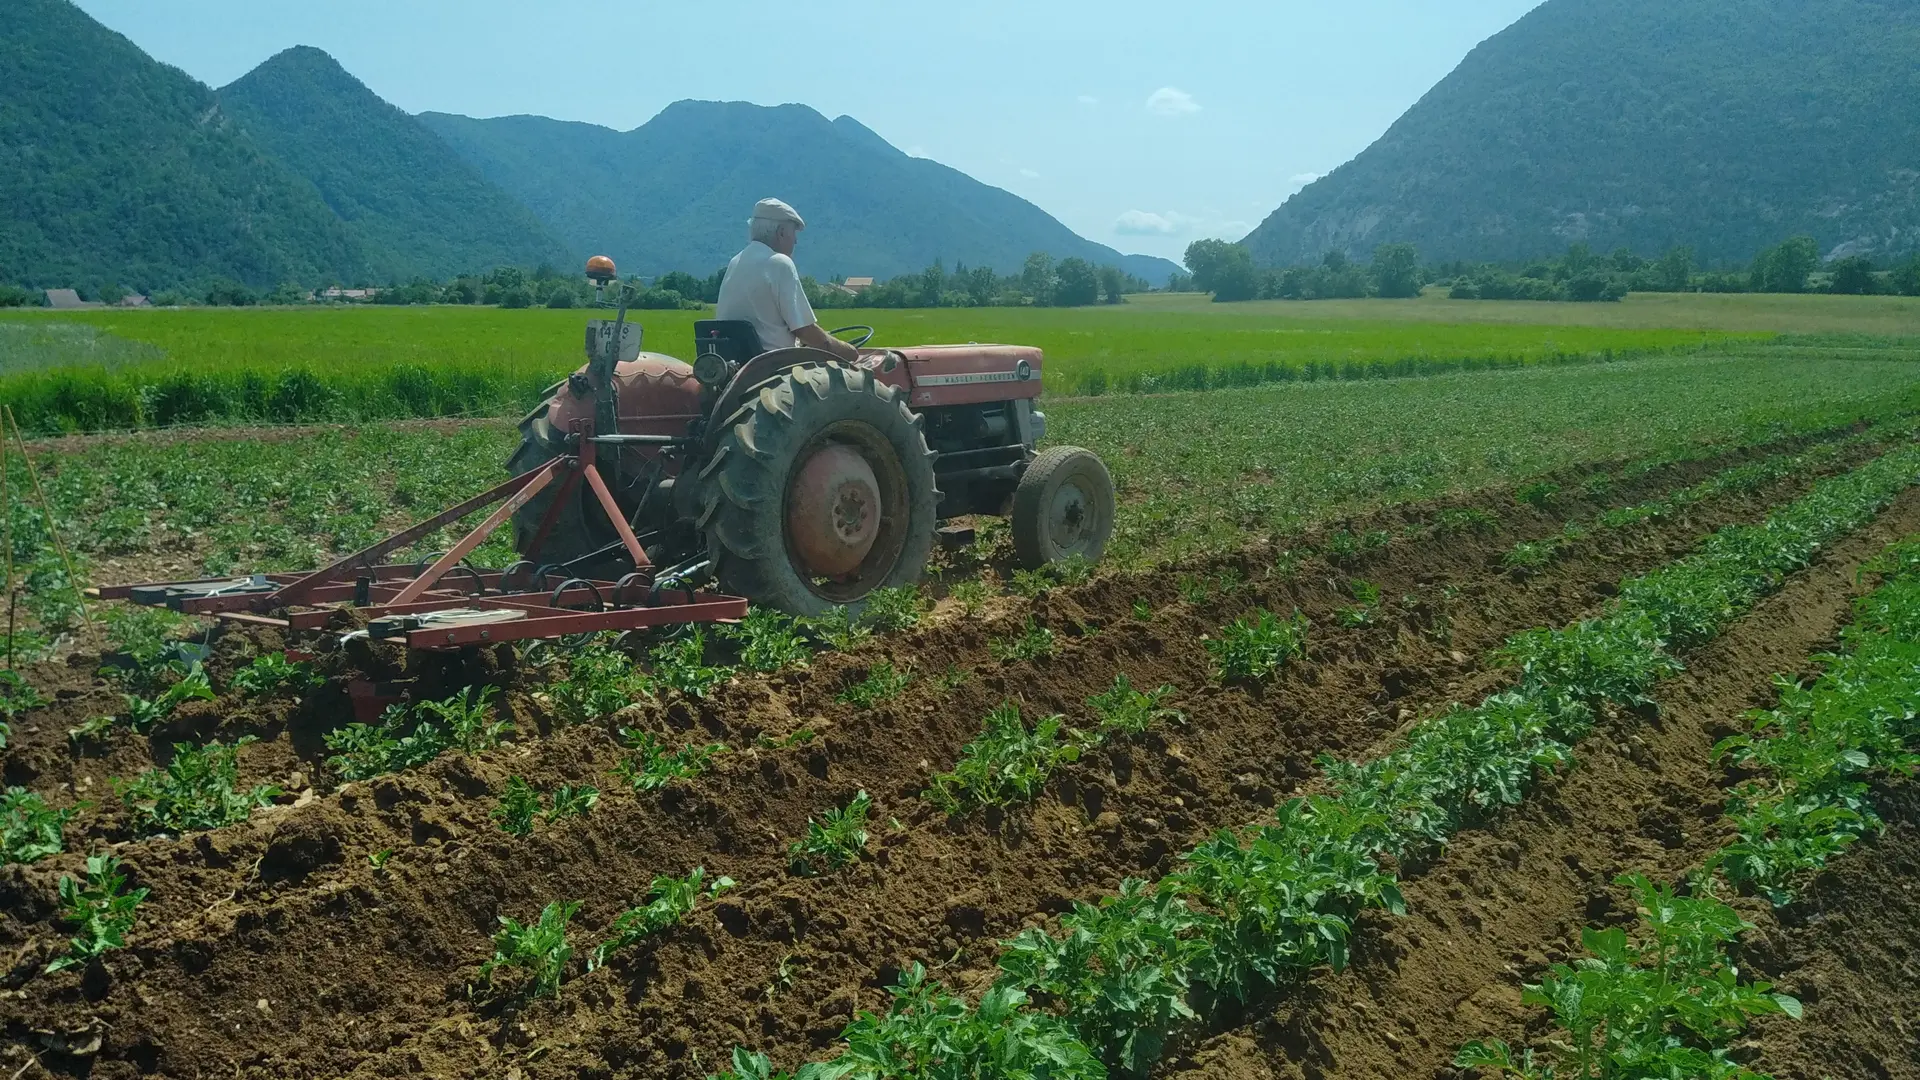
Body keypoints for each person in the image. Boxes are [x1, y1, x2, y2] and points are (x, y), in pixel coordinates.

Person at [714, 198, 860, 363]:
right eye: (794, 233)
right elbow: (805, 331)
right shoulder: (778, 263)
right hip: (774, 365)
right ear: (781, 232)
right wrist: (850, 352)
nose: (796, 241)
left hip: (737, 365)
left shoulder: (736, 262)